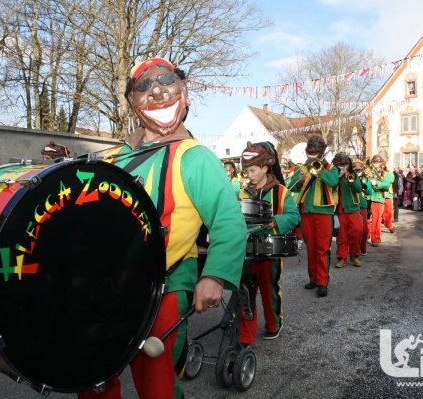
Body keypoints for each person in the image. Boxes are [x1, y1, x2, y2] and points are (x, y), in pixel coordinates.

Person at [78, 57, 246, 399]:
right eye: (143, 86)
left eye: (166, 81)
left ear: (183, 94)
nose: (156, 92)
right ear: (131, 103)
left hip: (163, 285)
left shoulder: (194, 156)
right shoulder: (113, 159)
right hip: (107, 286)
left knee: (155, 380)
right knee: (93, 376)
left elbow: (228, 220)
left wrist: (213, 276)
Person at [238, 141, 300, 345]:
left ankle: (273, 325)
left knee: (269, 289)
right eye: (246, 171)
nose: (249, 175)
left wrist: (275, 221)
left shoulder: (281, 191)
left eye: (253, 170)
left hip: (270, 250)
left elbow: (294, 216)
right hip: (247, 250)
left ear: (265, 168)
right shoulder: (243, 193)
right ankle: (245, 335)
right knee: (246, 293)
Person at [288, 135, 338, 297]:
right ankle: (314, 279)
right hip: (306, 213)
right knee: (311, 248)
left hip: (324, 212)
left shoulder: (331, 168)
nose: (313, 152)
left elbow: (333, 182)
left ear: (323, 151)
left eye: (317, 150)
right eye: (311, 149)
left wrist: (319, 169)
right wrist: (301, 181)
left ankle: (323, 282)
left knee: (323, 248)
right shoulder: (301, 168)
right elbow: (292, 188)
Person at [332, 153, 363, 268]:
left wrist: (350, 179)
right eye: (340, 164)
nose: (343, 166)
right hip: (339, 209)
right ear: (336, 164)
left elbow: (359, 189)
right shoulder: (333, 175)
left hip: (352, 208)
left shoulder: (353, 175)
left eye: (345, 163)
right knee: (341, 236)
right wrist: (339, 176)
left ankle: (354, 255)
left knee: (357, 231)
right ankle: (342, 258)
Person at [369, 154, 394, 246]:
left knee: (380, 218)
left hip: (379, 197)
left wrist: (377, 183)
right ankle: (366, 236)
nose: (376, 164)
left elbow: (387, 184)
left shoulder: (387, 173)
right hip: (367, 197)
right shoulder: (368, 171)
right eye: (375, 162)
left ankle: (375, 238)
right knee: (367, 220)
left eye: (378, 162)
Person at [352, 159, 372, 256]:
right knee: (353, 230)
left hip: (362, 205)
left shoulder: (366, 179)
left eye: (359, 169)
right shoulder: (349, 176)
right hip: (351, 205)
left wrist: (363, 187)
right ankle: (353, 249)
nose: (357, 171)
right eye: (355, 169)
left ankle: (362, 247)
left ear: (363, 169)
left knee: (364, 229)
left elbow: (369, 192)